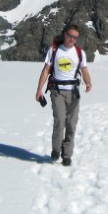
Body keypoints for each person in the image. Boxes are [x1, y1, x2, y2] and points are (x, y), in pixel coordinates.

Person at [35, 24, 92, 166]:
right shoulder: (54, 50)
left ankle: (67, 155)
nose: (71, 39)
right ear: (64, 34)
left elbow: (84, 69)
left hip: (74, 92)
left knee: (71, 124)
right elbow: (46, 70)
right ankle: (56, 149)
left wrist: (88, 82)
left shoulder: (79, 53)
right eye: (69, 35)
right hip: (57, 91)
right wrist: (39, 90)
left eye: (75, 37)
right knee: (60, 120)